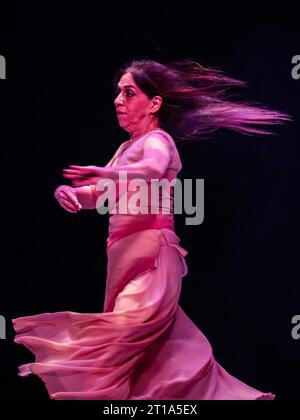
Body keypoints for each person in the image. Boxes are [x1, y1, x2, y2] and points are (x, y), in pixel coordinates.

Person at [12, 59, 292, 400]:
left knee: (117, 339)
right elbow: (96, 195)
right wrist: (71, 194)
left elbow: (151, 169)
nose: (118, 100)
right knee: (158, 363)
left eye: (129, 93)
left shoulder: (157, 140)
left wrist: (108, 174)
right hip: (121, 263)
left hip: (152, 260)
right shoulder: (124, 149)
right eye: (118, 93)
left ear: (154, 103)